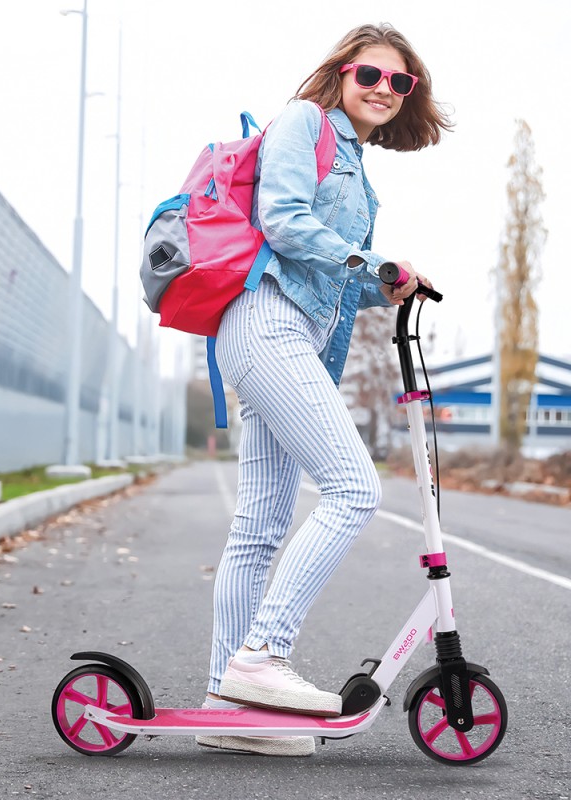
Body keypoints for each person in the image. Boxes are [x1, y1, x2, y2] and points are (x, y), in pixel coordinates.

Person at [196, 22, 452, 757]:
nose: (383, 90)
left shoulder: (362, 171)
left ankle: (228, 704)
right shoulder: (304, 122)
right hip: (266, 324)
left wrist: (392, 282)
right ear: (342, 72)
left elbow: (332, 279)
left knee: (259, 530)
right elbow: (282, 223)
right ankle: (260, 658)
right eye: (370, 75)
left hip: (292, 332)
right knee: (353, 489)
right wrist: (372, 261)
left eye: (399, 83)